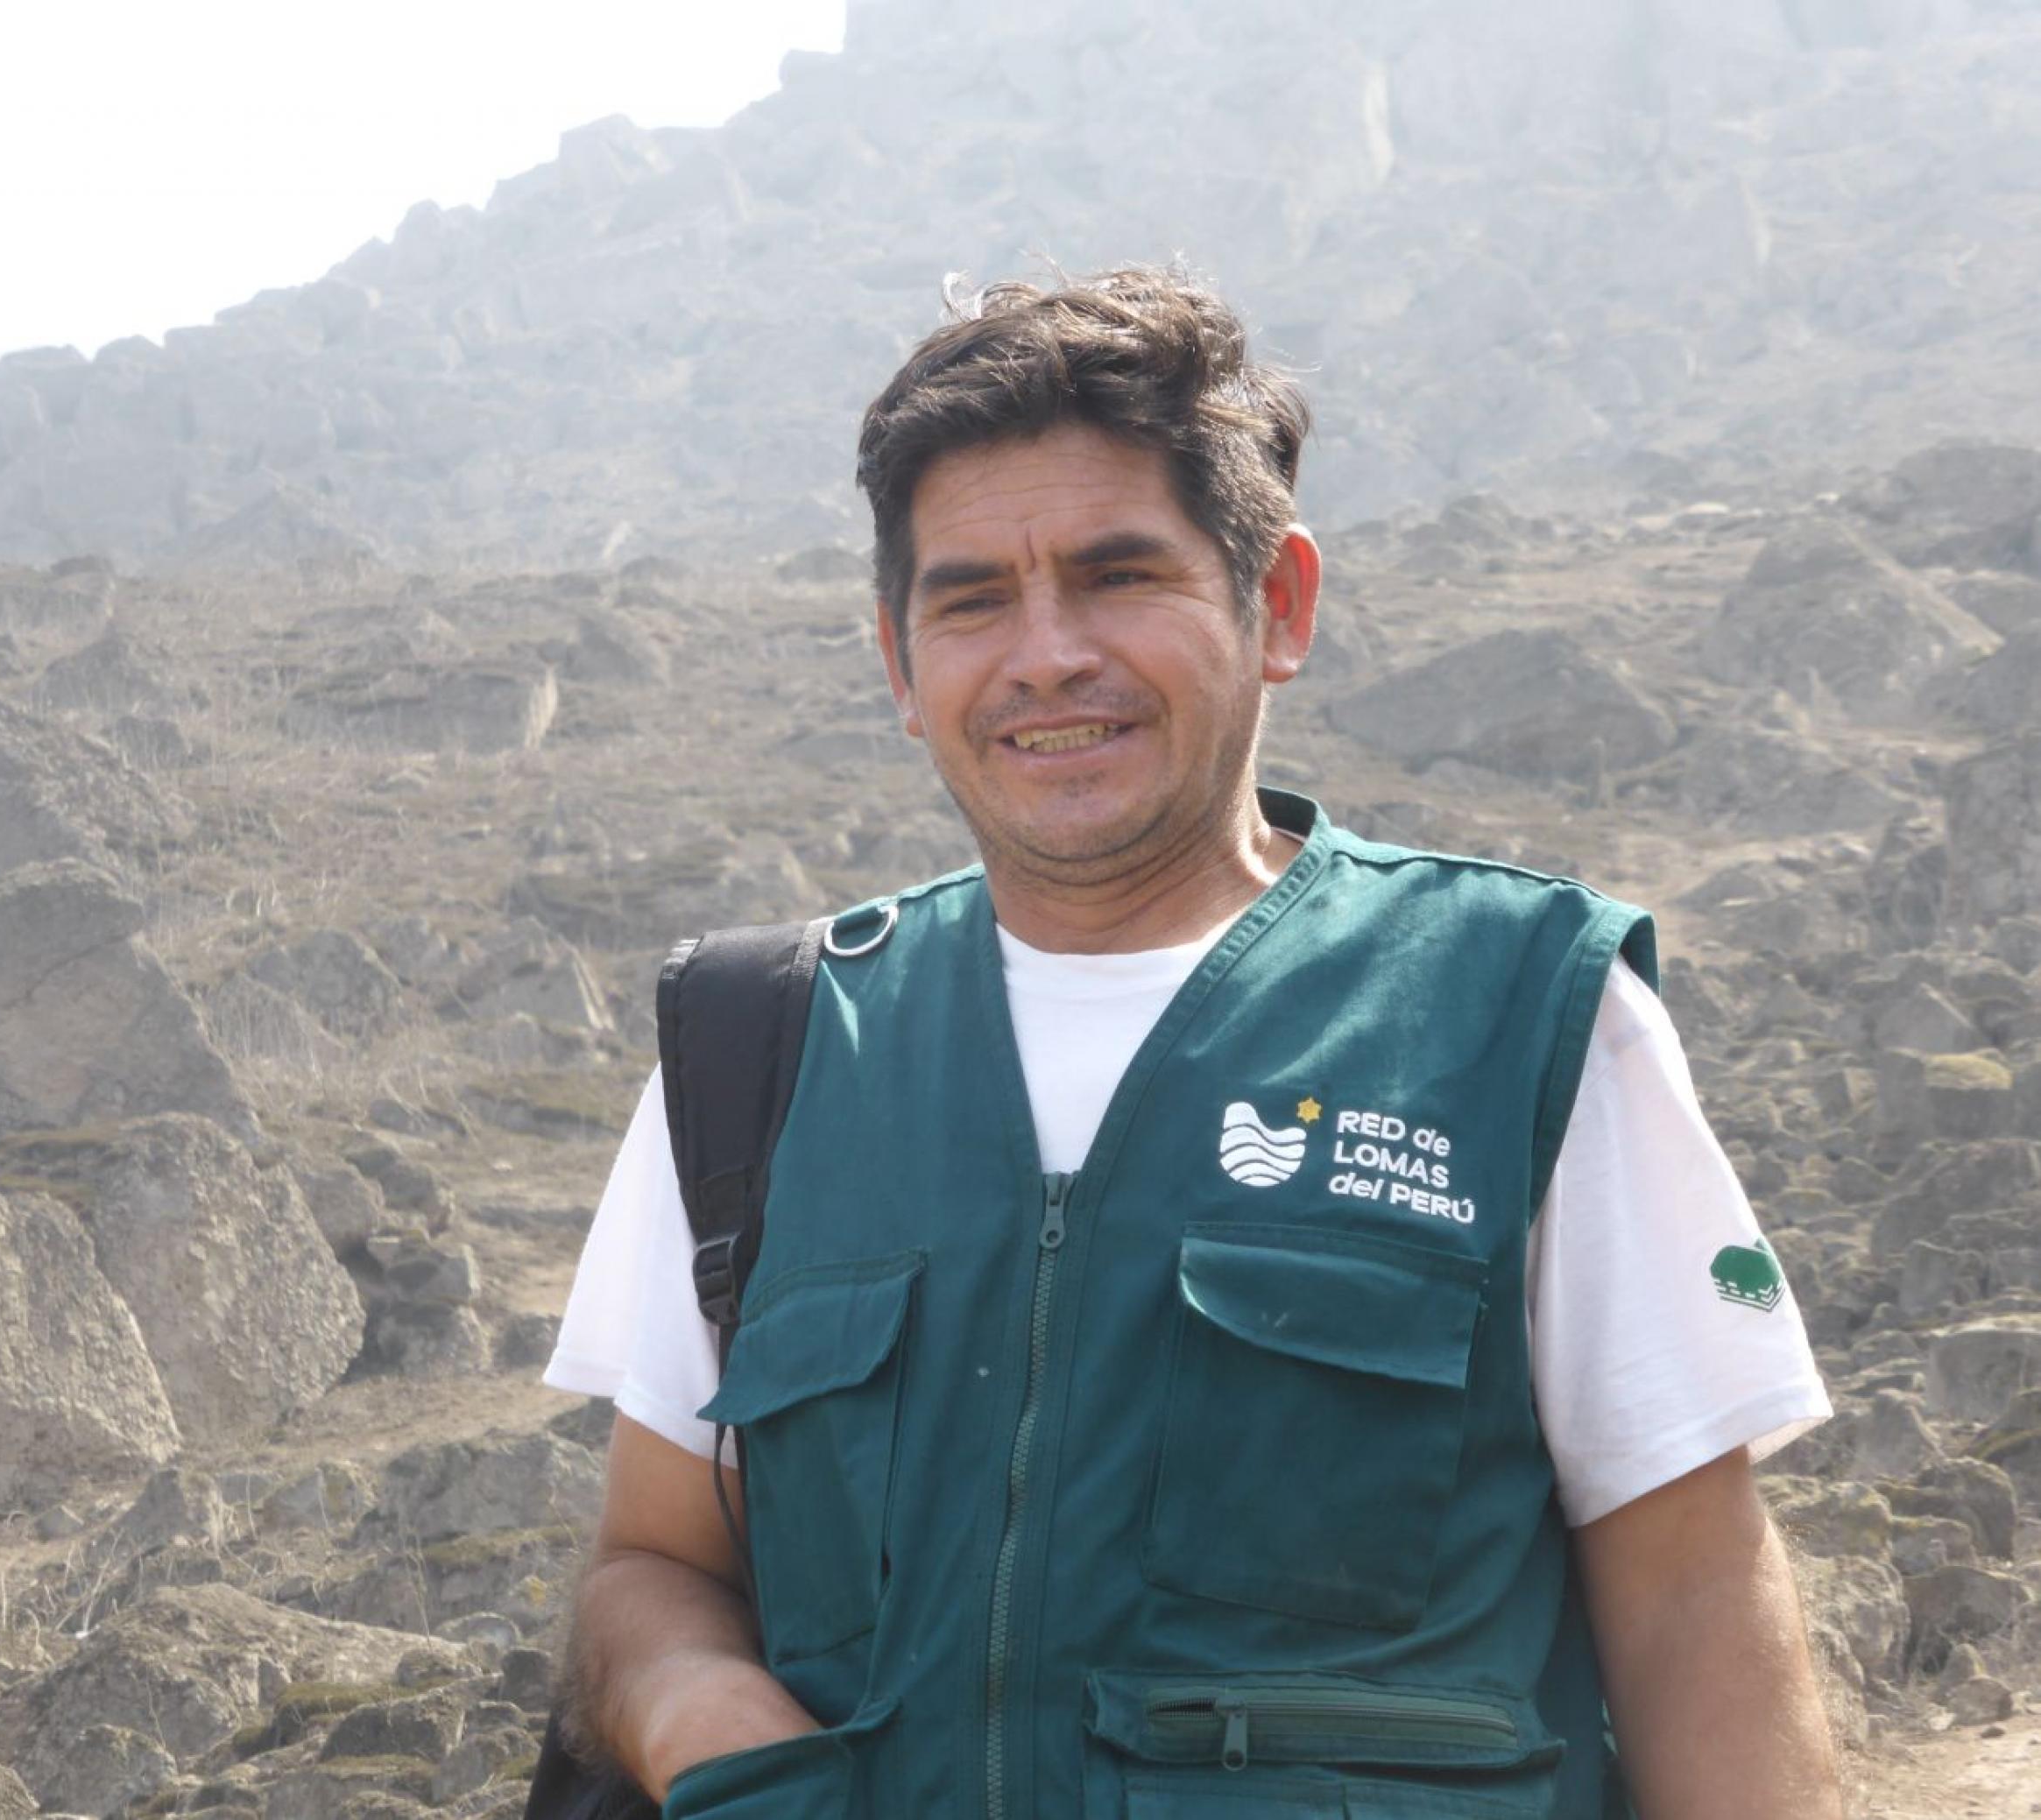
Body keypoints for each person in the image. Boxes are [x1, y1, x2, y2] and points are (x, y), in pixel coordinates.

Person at [543, 266, 1840, 1818]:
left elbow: (1695, 1600)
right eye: (971, 599)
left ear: (1275, 606)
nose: (1047, 655)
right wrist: (712, 1723)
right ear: (899, 663)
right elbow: (656, 1559)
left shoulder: (1518, 1013)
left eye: (1118, 575)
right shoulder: (763, 1048)